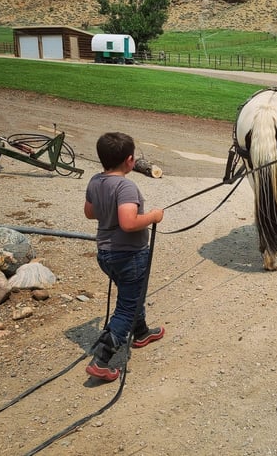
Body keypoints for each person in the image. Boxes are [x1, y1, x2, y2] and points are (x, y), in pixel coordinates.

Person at [83, 132, 165, 381]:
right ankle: (102, 359)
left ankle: (140, 333)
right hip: (129, 256)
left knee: (132, 294)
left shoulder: (95, 181)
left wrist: (108, 210)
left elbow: (89, 213)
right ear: (130, 160)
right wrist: (153, 216)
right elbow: (129, 223)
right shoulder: (126, 185)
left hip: (106, 254)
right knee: (127, 307)